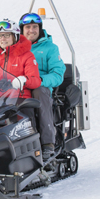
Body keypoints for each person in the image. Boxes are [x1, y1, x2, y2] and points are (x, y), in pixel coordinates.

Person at [19, 13, 66, 161]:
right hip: (19, 85)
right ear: (22, 30)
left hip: (41, 87)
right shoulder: (16, 47)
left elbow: (57, 74)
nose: (31, 30)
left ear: (40, 28)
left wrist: (38, 81)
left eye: (34, 27)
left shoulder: (50, 48)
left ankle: (47, 142)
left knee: (38, 92)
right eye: (27, 27)